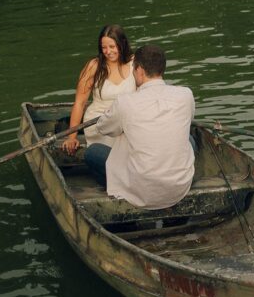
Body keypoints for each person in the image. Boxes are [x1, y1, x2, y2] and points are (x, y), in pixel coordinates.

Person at [86, 44, 195, 209]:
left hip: (142, 191)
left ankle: (125, 210)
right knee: (190, 138)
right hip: (179, 187)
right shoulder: (186, 95)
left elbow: (103, 127)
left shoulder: (125, 102)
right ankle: (173, 218)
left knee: (92, 152)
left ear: (140, 70)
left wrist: (122, 124)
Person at [61, 24, 135, 156]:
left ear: (122, 44)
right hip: (100, 121)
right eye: (104, 48)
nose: (108, 51)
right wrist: (71, 137)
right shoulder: (93, 66)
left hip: (128, 118)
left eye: (112, 47)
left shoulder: (135, 63)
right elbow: (79, 103)